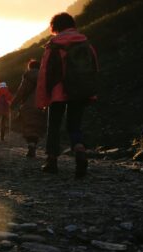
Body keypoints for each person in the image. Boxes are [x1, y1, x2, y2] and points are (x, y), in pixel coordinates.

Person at [36, 12, 98, 178]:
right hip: (79, 91)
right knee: (74, 125)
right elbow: (93, 68)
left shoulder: (54, 44)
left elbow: (44, 73)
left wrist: (42, 98)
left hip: (57, 93)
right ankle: (80, 152)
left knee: (54, 125)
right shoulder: (85, 43)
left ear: (55, 27)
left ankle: (51, 161)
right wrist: (90, 92)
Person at [11, 59, 46, 157]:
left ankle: (30, 145)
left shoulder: (28, 76)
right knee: (37, 126)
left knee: (28, 126)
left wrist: (13, 104)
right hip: (41, 105)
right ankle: (34, 144)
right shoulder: (44, 77)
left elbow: (21, 92)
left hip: (28, 105)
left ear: (30, 67)